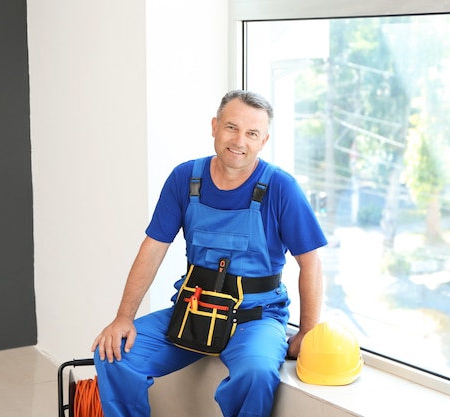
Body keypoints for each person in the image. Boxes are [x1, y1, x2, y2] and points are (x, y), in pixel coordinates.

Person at [91, 89, 327, 417]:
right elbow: (153, 248)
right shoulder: (185, 179)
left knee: (256, 374)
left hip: (256, 318)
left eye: (252, 133)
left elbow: (310, 262)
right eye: (231, 127)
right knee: (114, 353)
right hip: (194, 308)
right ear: (214, 126)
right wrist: (123, 318)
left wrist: (309, 332)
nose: (239, 140)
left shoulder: (281, 188)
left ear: (264, 140)